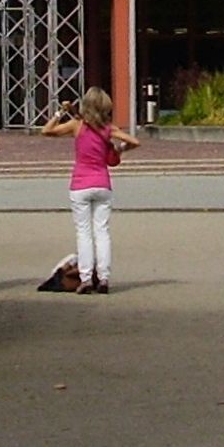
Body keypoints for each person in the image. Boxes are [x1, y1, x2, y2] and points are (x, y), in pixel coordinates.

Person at [41, 87, 137, 293]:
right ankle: (103, 278)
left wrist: (59, 112)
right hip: (102, 183)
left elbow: (47, 130)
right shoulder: (108, 128)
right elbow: (134, 141)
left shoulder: (77, 125)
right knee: (102, 232)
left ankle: (85, 278)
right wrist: (118, 148)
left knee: (83, 233)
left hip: (80, 184)